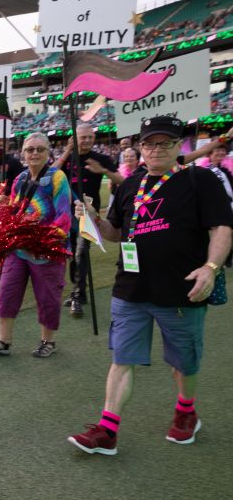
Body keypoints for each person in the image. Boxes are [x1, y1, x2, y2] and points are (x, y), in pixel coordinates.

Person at [67, 116, 233, 456]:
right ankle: (107, 430)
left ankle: (186, 410)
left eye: (165, 143)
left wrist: (211, 267)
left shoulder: (199, 180)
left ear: (178, 147)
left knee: (183, 362)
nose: (156, 150)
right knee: (122, 358)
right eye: (149, 144)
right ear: (140, 148)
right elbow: (115, 233)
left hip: (182, 290)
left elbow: (221, 229)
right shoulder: (130, 186)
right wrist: (93, 218)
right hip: (131, 289)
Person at [0, 133, 72, 358]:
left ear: (49, 153)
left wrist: (41, 237)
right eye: (30, 149)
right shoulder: (20, 179)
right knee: (7, 293)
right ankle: (4, 342)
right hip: (18, 249)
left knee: (48, 297)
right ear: (23, 153)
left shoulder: (57, 178)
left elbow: (64, 217)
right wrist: (3, 206)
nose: (34, 153)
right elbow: (14, 212)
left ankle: (48, 341)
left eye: (40, 149)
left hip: (46, 251)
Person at [53, 123, 123, 317]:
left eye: (90, 137)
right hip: (66, 215)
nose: (86, 141)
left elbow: (121, 181)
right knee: (72, 254)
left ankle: (77, 296)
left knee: (81, 253)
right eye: (82, 137)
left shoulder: (101, 159)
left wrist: (102, 171)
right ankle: (80, 293)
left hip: (88, 214)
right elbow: (50, 174)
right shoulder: (68, 157)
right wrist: (67, 150)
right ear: (74, 138)